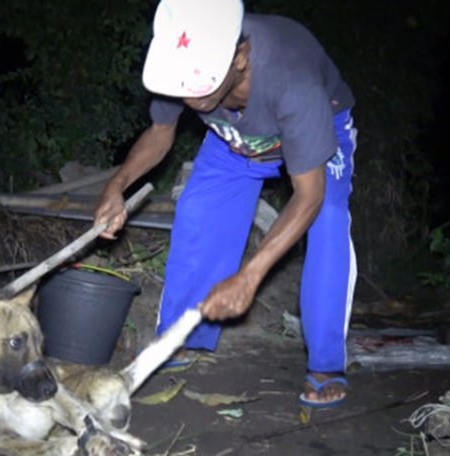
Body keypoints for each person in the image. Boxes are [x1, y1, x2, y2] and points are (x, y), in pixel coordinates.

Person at [93, 0, 357, 408]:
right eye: (182, 86)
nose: (188, 96)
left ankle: (326, 364)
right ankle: (181, 338)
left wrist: (250, 276)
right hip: (234, 140)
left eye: (200, 85)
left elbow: (309, 195)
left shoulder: (292, 76)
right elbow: (161, 133)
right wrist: (117, 186)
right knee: (198, 210)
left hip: (320, 128)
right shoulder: (180, 63)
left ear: (240, 57)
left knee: (328, 219)